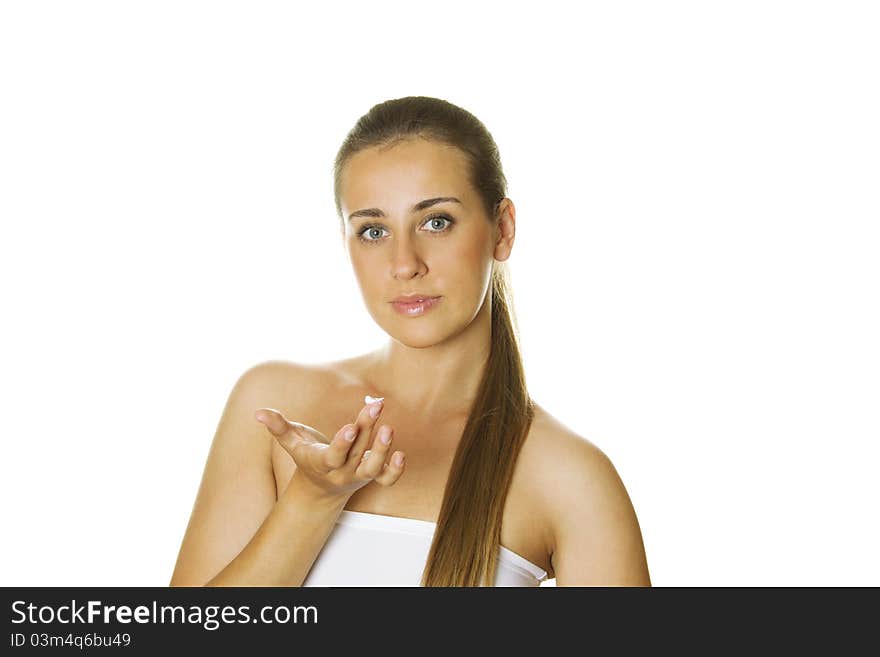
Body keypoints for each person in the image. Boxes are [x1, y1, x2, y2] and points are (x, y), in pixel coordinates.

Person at [169, 96, 651, 587]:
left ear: (501, 230)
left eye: (436, 221)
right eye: (373, 230)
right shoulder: (274, 410)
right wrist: (311, 499)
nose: (404, 264)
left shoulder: (571, 478)